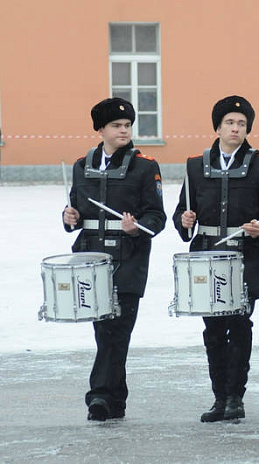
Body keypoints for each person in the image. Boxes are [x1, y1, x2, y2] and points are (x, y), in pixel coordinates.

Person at [172, 95, 259, 423]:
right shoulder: (195, 165)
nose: (235, 128)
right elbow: (180, 213)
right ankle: (219, 397)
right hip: (205, 255)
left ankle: (236, 397)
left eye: (242, 124)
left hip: (245, 257)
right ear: (217, 127)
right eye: (230, 122)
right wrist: (184, 222)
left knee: (240, 325)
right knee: (213, 330)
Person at [62, 97, 166, 421]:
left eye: (127, 126)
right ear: (101, 130)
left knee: (117, 330)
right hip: (92, 260)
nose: (124, 130)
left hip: (129, 259)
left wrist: (137, 228)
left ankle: (100, 396)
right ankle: (115, 400)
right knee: (103, 331)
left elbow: (157, 216)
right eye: (117, 126)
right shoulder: (82, 165)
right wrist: (69, 217)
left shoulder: (145, 166)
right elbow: (76, 213)